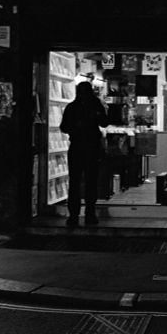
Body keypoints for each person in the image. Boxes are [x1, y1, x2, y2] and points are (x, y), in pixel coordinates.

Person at [59, 81, 107, 227]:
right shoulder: (93, 105)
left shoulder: (72, 107)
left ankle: (75, 215)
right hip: (90, 147)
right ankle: (88, 214)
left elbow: (64, 127)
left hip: (78, 147)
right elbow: (105, 122)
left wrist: (76, 127)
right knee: (90, 181)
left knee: (75, 181)